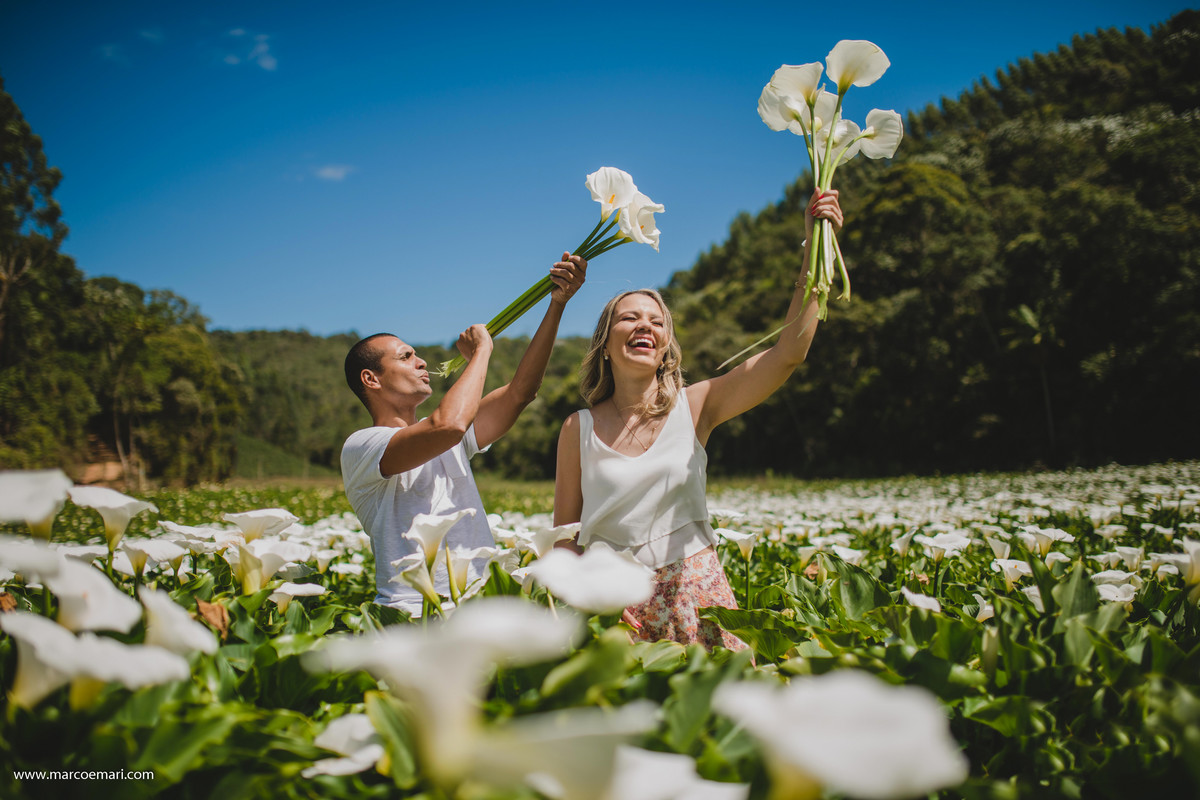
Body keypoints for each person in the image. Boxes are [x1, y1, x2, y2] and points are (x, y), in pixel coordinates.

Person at [553, 190, 843, 649]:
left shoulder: (695, 405)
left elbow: (790, 353)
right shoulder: (578, 428)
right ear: (606, 344)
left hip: (695, 595)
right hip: (613, 609)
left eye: (657, 321)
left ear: (666, 344)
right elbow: (564, 538)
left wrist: (816, 249)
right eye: (629, 318)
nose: (645, 326)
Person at [342, 253, 587, 613]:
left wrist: (557, 304)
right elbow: (449, 425)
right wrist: (481, 353)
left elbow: (521, 392)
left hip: (480, 607)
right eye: (406, 356)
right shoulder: (363, 446)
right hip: (413, 613)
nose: (421, 361)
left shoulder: (444, 442)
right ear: (371, 379)